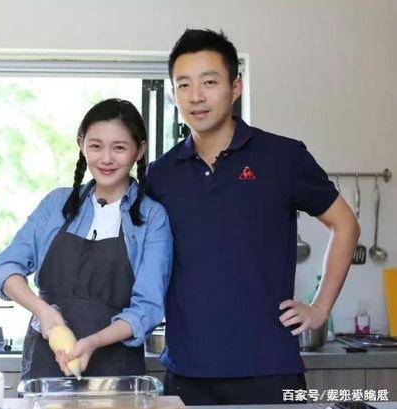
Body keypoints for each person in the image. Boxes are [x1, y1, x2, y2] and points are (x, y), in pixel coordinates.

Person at [146, 29, 360, 405]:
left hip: (269, 368)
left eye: (209, 82)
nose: (195, 96)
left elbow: (346, 225)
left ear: (235, 86)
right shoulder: (160, 175)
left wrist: (320, 307)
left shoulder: (283, 157)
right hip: (187, 371)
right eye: (183, 85)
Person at [0, 98, 172, 380]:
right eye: (96, 146)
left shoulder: (152, 217)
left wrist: (93, 341)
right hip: (45, 365)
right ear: (81, 144)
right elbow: (6, 268)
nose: (106, 159)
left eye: (119, 147)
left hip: (115, 371)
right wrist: (44, 313)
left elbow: (147, 308)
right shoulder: (56, 204)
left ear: (139, 150)